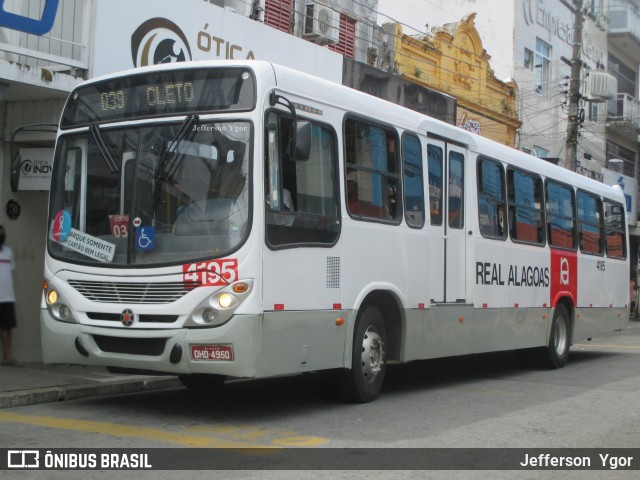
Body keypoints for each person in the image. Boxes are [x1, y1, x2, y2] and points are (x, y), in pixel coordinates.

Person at [0, 225, 18, 366]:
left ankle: (8, 357)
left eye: (3, 234)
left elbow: (10, 272)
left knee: (7, 328)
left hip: (7, 297)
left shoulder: (8, 252)